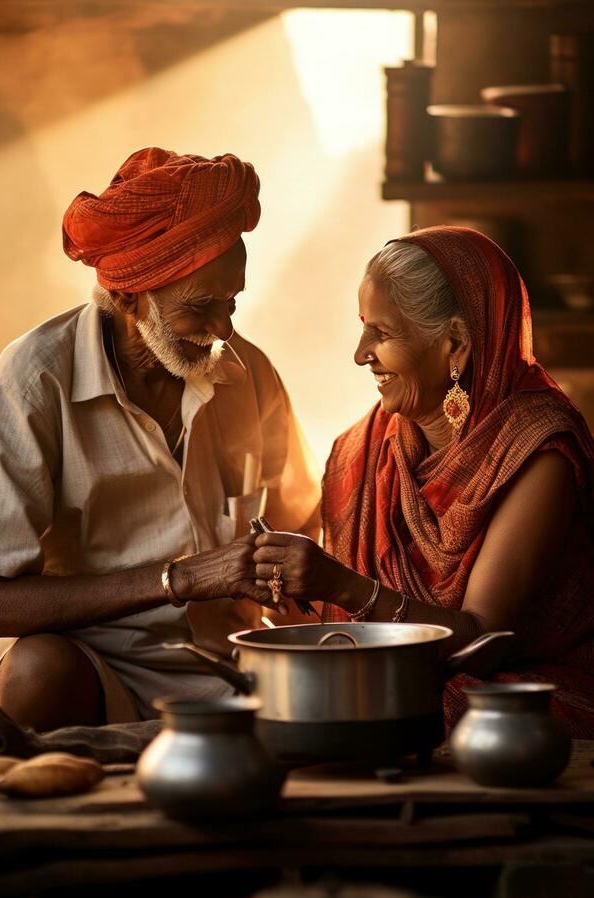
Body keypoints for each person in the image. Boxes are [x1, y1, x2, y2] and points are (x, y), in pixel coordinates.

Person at [0, 147, 320, 761]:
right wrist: (179, 579)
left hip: (233, 669)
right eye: (201, 308)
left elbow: (303, 521)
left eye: (233, 302)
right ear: (128, 299)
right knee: (38, 668)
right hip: (95, 671)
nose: (225, 329)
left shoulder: (246, 373)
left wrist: (291, 569)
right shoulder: (34, 382)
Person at [251, 226, 594, 736]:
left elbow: (482, 641)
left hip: (516, 694)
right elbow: (349, 631)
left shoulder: (537, 451)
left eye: (382, 334)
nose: (360, 352)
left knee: (379, 705)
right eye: (363, 326)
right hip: (403, 674)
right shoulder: (363, 447)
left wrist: (339, 584)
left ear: (455, 345)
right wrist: (290, 586)